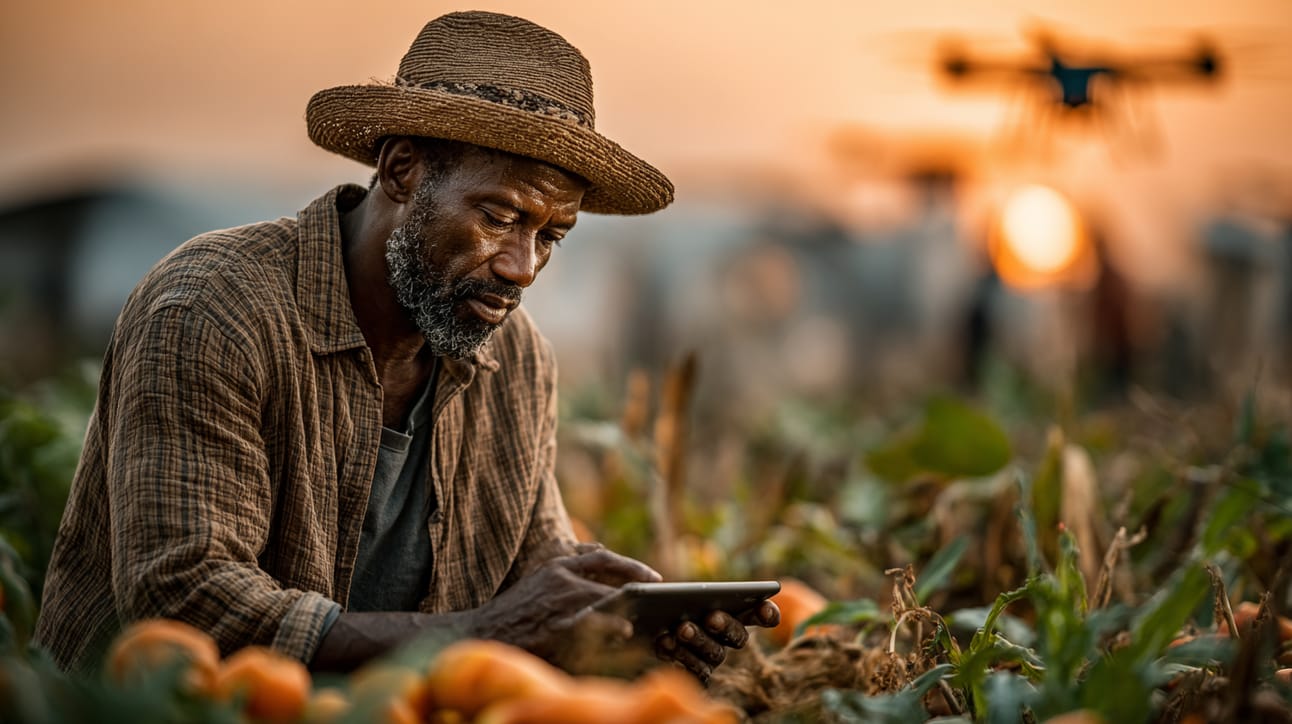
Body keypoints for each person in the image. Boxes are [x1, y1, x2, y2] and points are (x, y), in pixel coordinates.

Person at [33, 11, 778, 680]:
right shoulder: (216, 309)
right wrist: (483, 632)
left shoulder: (516, 360)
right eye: (499, 217)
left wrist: (620, 623)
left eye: (551, 235)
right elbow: (186, 598)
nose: (523, 267)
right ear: (401, 170)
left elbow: (532, 568)